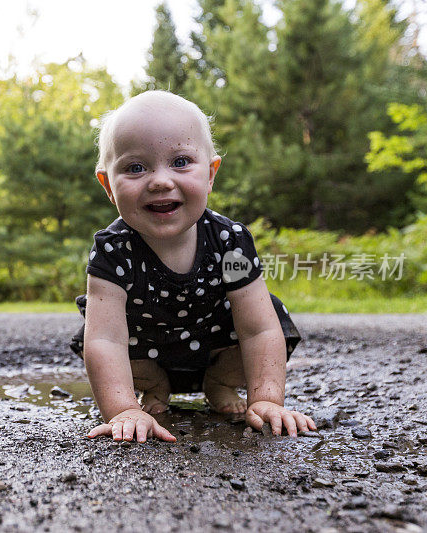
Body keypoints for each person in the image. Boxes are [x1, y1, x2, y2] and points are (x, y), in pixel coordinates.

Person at [69, 90, 316, 443]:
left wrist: (267, 400)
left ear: (211, 174)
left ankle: (220, 384)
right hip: (145, 354)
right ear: (108, 184)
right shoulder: (112, 250)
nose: (160, 181)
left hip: (218, 350)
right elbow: (106, 340)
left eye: (181, 162)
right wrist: (121, 409)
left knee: (273, 316)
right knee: (93, 333)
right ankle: (153, 388)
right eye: (135, 167)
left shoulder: (229, 240)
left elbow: (259, 329)